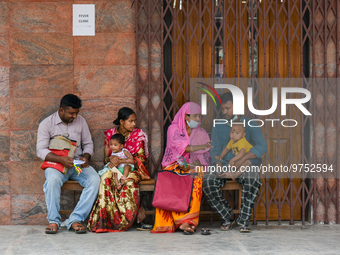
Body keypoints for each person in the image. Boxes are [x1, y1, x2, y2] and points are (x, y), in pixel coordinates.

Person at [203, 92, 267, 233]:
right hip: (224, 163)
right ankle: (227, 217)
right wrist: (218, 164)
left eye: (227, 108)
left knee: (252, 179)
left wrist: (243, 160)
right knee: (208, 181)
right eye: (223, 109)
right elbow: (215, 150)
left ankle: (243, 220)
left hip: (245, 165)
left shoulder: (250, 124)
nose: (224, 112)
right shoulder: (218, 126)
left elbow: (262, 146)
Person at [37, 94, 100, 234]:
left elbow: (88, 143)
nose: (75, 116)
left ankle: (75, 219)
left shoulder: (81, 122)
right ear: (61, 110)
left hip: (77, 164)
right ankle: (53, 221)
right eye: (72, 113)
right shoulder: (46, 124)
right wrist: (61, 159)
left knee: (95, 180)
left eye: (77, 113)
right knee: (52, 180)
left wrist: (86, 156)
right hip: (56, 164)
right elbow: (40, 150)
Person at [151, 102, 212, 234]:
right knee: (171, 179)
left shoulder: (201, 132)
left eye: (199, 116)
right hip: (175, 164)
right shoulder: (174, 129)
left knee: (196, 179)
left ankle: (188, 221)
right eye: (195, 116)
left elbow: (205, 154)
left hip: (194, 165)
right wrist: (199, 148)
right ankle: (179, 222)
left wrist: (194, 164)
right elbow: (181, 148)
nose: (198, 119)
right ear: (186, 116)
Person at [87, 107, 150, 232]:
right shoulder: (110, 134)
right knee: (105, 178)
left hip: (132, 168)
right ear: (121, 122)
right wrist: (111, 159)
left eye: (134, 121)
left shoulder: (138, 135)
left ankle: (125, 221)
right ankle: (105, 220)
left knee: (128, 181)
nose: (134, 124)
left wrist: (123, 161)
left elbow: (141, 159)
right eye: (130, 121)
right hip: (113, 167)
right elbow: (105, 158)